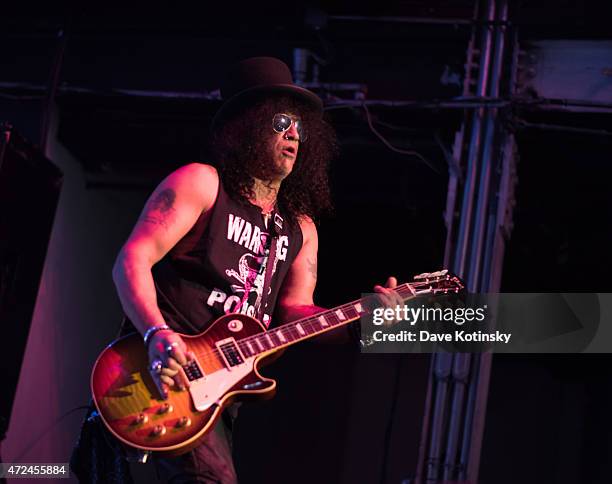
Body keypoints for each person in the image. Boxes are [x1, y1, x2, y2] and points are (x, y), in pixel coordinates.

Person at [111, 57, 401, 483]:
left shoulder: (301, 227)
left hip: (221, 398)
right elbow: (131, 261)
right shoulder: (202, 183)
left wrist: (363, 318)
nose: (293, 135)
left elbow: (295, 312)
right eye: (281, 122)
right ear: (248, 124)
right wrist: (156, 333)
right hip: (162, 374)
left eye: (300, 126)